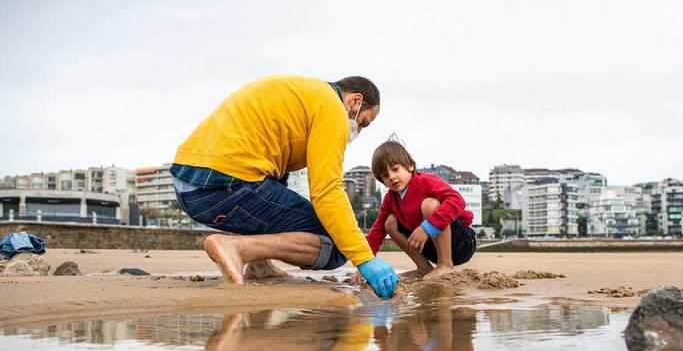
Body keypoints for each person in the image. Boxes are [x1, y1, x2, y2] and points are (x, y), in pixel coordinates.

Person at [170, 75, 399, 299]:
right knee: (337, 246)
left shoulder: (303, 94)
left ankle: (259, 266)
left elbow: (274, 184)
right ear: (355, 102)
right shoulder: (332, 109)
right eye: (363, 122)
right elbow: (327, 190)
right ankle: (236, 248)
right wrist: (364, 259)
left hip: (188, 184)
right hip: (222, 186)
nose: (358, 130)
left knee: (276, 189)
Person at [364, 140, 477, 280]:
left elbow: (457, 200)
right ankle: (424, 268)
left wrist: (426, 228)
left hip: (461, 243)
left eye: (395, 169)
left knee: (430, 204)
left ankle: (445, 265)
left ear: (410, 166)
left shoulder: (426, 182)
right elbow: (377, 231)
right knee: (389, 222)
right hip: (431, 247)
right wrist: (364, 263)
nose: (392, 177)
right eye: (385, 176)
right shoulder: (390, 199)